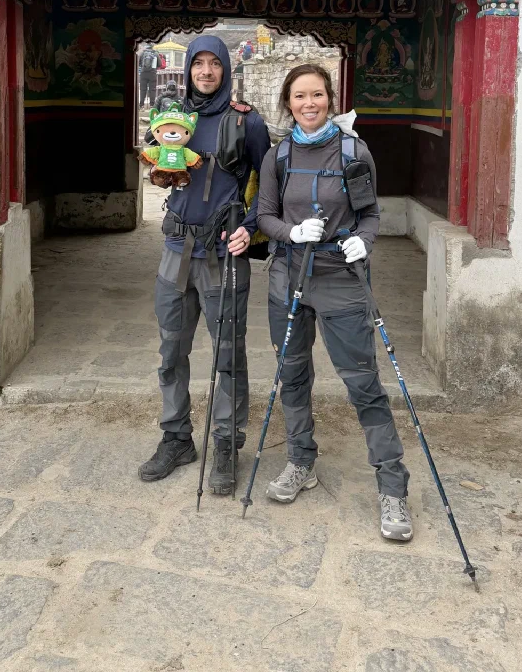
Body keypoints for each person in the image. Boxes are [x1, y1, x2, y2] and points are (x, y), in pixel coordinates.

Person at [256, 63, 412, 542]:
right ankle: (300, 461)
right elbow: (264, 215)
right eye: (300, 96)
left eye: (318, 95)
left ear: (330, 98)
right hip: (288, 277)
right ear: (288, 102)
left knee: (363, 382)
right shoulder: (278, 155)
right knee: (293, 374)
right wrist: (291, 233)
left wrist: (365, 240)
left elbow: (370, 214)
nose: (309, 104)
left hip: (341, 280)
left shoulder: (352, 150)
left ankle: (392, 486)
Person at [139, 35, 271, 492]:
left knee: (228, 355)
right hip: (176, 250)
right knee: (171, 352)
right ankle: (176, 438)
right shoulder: (173, 116)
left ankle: (227, 445)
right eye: (199, 63)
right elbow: (156, 157)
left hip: (222, 254)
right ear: (189, 69)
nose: (207, 72)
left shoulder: (247, 122)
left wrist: (250, 226)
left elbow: (270, 183)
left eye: (216, 63)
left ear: (227, 69)